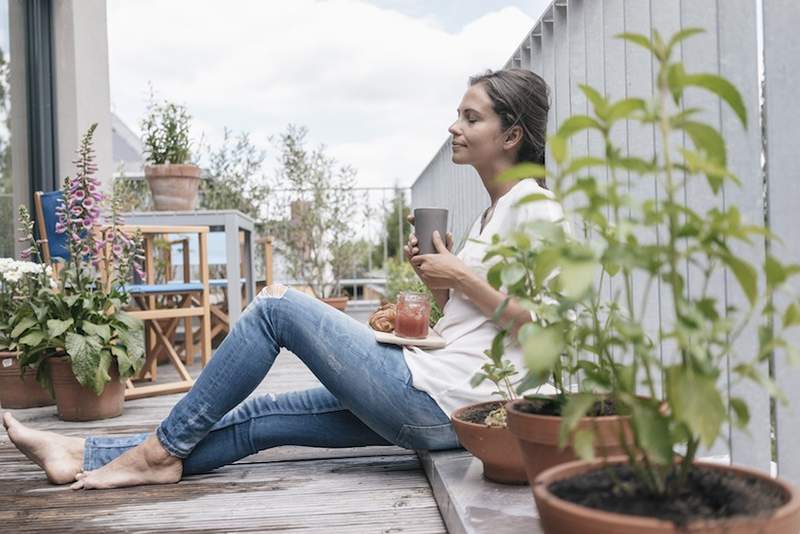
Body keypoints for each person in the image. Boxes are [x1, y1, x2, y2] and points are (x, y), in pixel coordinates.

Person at [2, 68, 563, 490]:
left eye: (471, 118)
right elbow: (475, 323)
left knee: (277, 309)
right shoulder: (495, 214)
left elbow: (548, 332)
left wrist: (460, 275)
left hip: (440, 400)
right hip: (438, 401)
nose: (454, 126)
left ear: (511, 135)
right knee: (259, 420)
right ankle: (85, 455)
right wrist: (438, 280)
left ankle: (156, 452)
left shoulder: (537, 210)